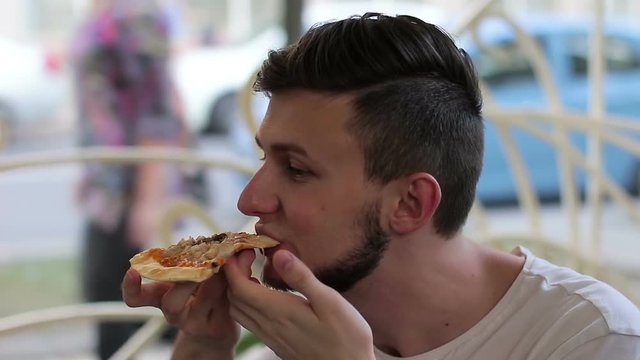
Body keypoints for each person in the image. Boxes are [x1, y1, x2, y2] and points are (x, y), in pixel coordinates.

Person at [122, 13, 640, 359]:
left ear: (411, 203)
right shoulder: (295, 333)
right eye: (263, 158)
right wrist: (205, 345)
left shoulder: (588, 339)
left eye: (297, 169)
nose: (249, 199)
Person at [71, 0, 206, 358]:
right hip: (110, 189)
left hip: (134, 189)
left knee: (135, 314)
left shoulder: (138, 15)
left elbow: (158, 111)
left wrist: (149, 199)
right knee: (114, 308)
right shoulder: (108, 13)